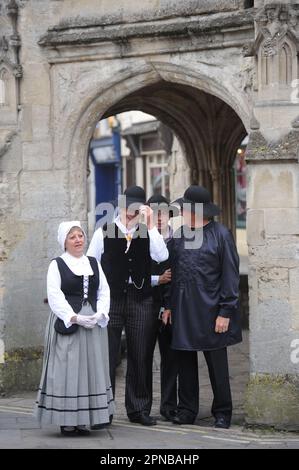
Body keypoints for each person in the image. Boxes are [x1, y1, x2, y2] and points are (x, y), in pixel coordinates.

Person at [87, 186, 168, 426]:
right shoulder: (104, 231)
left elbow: (161, 256)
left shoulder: (147, 231)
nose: (130, 212)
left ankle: (139, 409)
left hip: (141, 298)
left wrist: (151, 224)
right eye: (127, 207)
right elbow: (92, 265)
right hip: (111, 299)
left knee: (141, 354)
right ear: (120, 206)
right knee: (108, 355)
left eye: (136, 208)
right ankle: (104, 408)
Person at [163, 185, 242, 429]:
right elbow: (171, 273)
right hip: (184, 310)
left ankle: (223, 412)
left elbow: (230, 275)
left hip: (213, 311)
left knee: (217, 366)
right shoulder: (178, 237)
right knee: (185, 363)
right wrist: (168, 305)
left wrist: (226, 312)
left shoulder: (221, 234)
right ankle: (187, 410)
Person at [35, 221, 115, 436]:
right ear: (64, 242)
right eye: (73, 237)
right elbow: (54, 295)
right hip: (68, 323)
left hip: (93, 326)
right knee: (68, 370)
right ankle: (67, 421)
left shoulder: (93, 263)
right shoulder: (57, 264)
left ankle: (84, 419)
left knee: (90, 370)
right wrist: (73, 317)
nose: (78, 240)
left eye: (80, 235)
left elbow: (104, 291)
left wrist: (101, 313)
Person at [147, 194, 179, 422]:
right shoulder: (139, 240)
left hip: (171, 308)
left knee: (171, 359)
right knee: (143, 358)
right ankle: (142, 405)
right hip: (145, 306)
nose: (159, 218)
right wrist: (157, 279)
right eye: (154, 213)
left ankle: (169, 405)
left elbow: (179, 278)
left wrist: (170, 305)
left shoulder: (179, 241)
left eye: (162, 213)